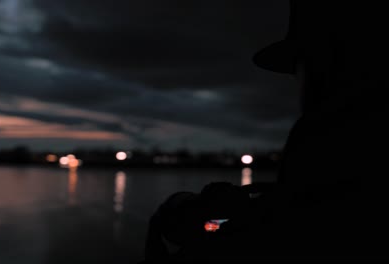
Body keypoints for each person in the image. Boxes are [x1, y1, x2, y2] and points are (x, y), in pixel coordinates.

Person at [143, 1, 389, 261]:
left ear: (326, 61)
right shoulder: (353, 142)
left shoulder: (327, 135)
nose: (297, 80)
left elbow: (298, 227)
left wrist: (207, 223)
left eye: (299, 66)